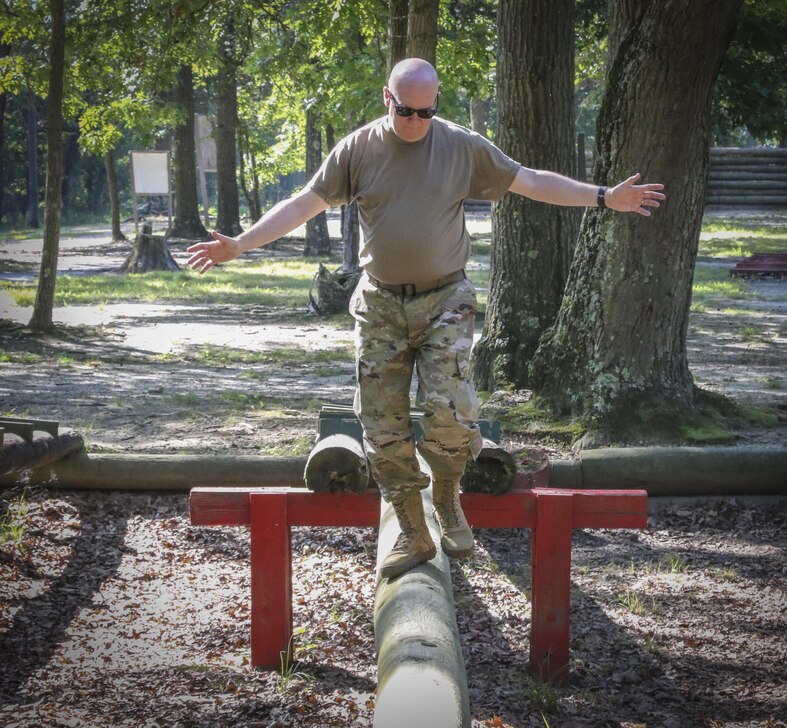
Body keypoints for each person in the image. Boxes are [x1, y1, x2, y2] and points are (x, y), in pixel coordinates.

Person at [187, 58, 666, 580]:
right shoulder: (358, 149)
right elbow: (305, 203)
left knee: (451, 414)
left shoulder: (461, 145)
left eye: (426, 111)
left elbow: (529, 181)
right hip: (380, 304)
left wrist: (603, 197)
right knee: (382, 422)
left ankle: (446, 492)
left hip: (446, 300)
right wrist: (239, 244)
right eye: (406, 110)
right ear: (386, 98)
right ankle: (414, 530)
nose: (416, 120)